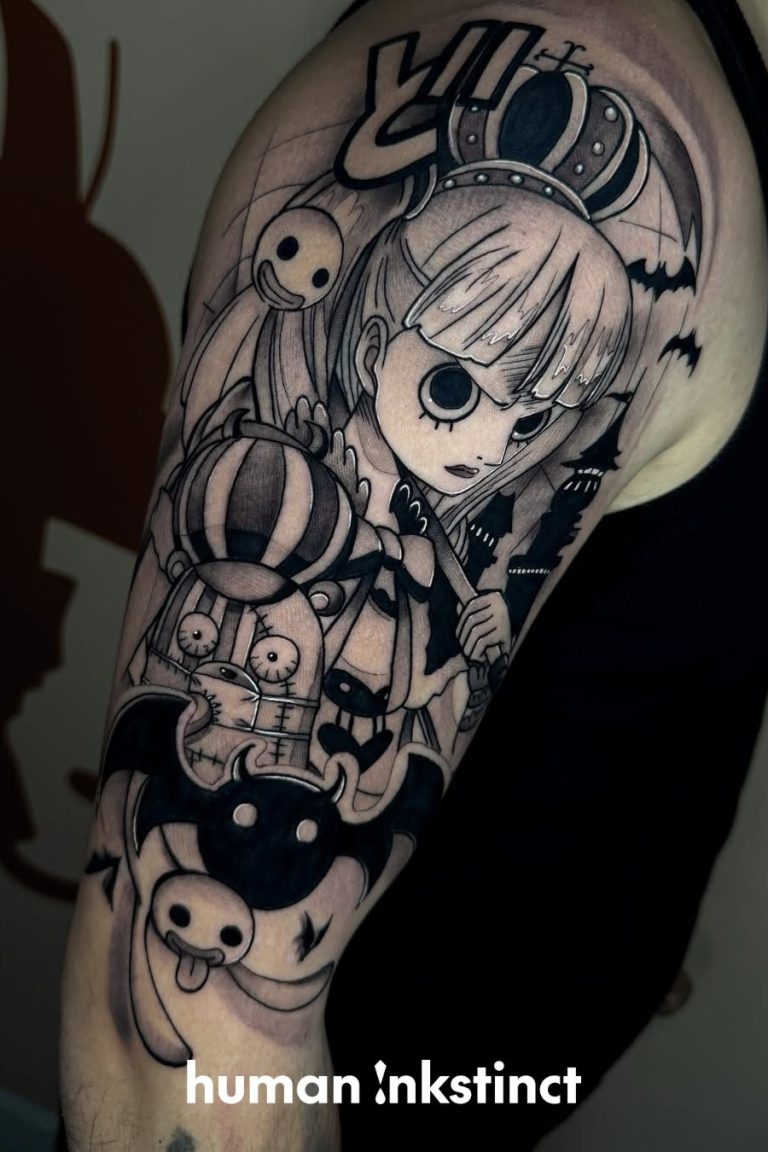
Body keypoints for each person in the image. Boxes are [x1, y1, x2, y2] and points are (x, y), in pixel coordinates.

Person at [60, 1, 768, 1149]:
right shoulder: (587, 61)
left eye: (534, 418)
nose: (491, 447)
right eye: (456, 390)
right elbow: (173, 1070)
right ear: (374, 314)